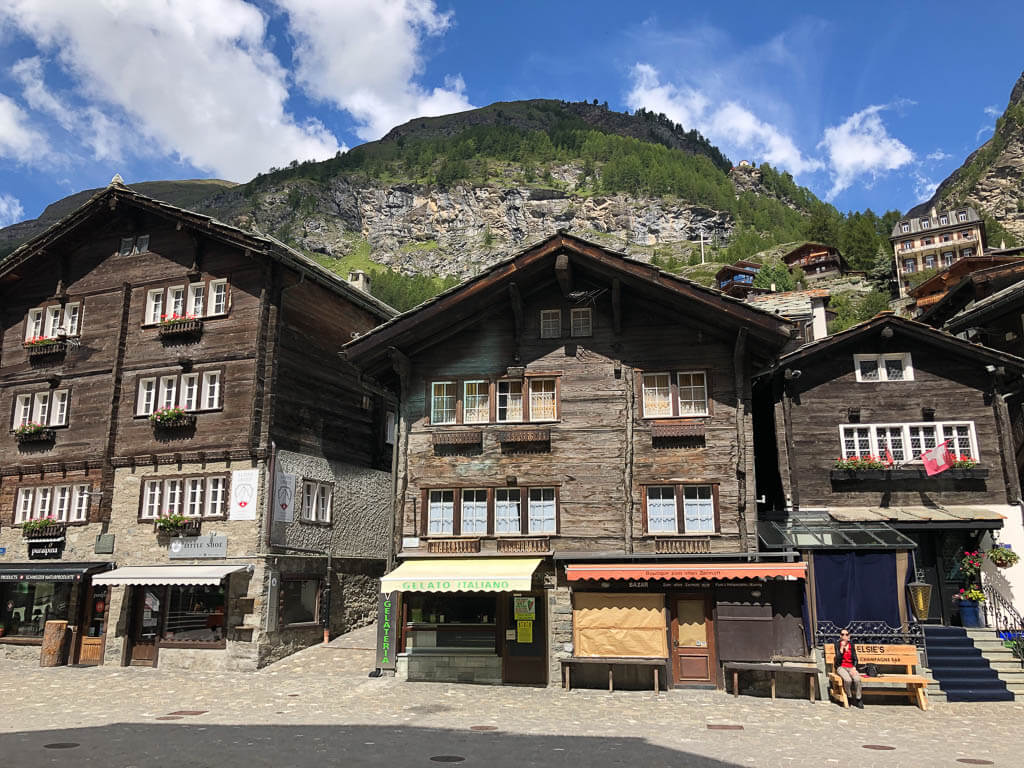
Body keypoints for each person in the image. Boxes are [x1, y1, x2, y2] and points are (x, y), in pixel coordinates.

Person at [833, 628, 863, 708]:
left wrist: (854, 667)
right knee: (848, 680)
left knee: (857, 679)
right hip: (841, 667)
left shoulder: (852, 645)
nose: (844, 636)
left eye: (846, 634)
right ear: (840, 636)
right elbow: (838, 659)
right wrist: (842, 649)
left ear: (849, 636)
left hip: (851, 667)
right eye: (842, 634)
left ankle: (858, 698)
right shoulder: (837, 644)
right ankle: (849, 696)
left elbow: (856, 659)